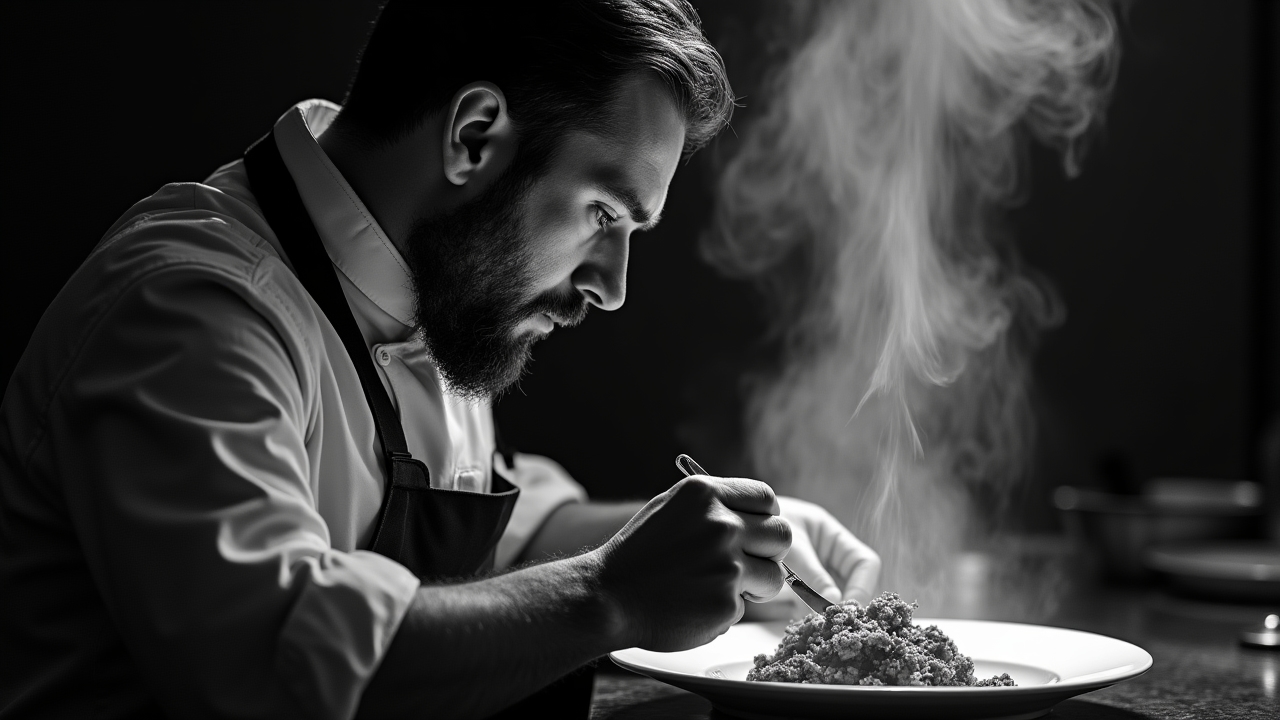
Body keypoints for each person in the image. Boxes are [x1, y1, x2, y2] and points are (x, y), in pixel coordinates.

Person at [0, 2, 880, 718]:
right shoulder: (192, 312)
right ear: (474, 135)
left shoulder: (424, 280)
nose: (612, 289)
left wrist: (711, 541)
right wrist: (610, 593)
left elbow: (484, 532)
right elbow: (271, 666)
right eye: (605, 216)